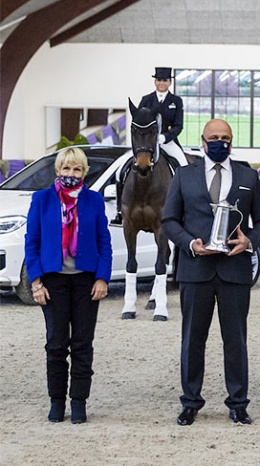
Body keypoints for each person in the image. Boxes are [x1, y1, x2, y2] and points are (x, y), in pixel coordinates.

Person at [162, 118, 260, 426]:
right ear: (203, 140)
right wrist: (190, 244)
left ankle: (238, 403)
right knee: (192, 340)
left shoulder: (248, 176)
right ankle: (190, 402)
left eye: (225, 137)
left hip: (234, 271)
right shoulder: (184, 176)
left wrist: (250, 240)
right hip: (195, 269)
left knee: (235, 340)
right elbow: (169, 220)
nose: (219, 142)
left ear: (232, 141)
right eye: (214, 137)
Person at [24, 147, 112, 424]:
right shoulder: (41, 200)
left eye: (76, 169)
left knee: (83, 344)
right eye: (66, 168)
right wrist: (36, 281)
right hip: (53, 281)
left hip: (86, 281)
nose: (71, 174)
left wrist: (102, 277)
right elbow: (32, 242)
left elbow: (104, 242)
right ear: (57, 170)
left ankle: (78, 402)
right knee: (56, 343)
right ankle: (56, 400)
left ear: (84, 172)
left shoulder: (94, 201)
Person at [111, 66, 186, 225]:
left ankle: (185, 210)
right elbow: (139, 120)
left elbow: (179, 125)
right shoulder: (146, 99)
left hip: (167, 141)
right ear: (155, 81)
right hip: (145, 143)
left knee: (184, 167)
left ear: (169, 82)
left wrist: (164, 137)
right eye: (159, 80)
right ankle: (120, 211)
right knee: (120, 171)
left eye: (165, 80)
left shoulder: (176, 101)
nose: (161, 83)